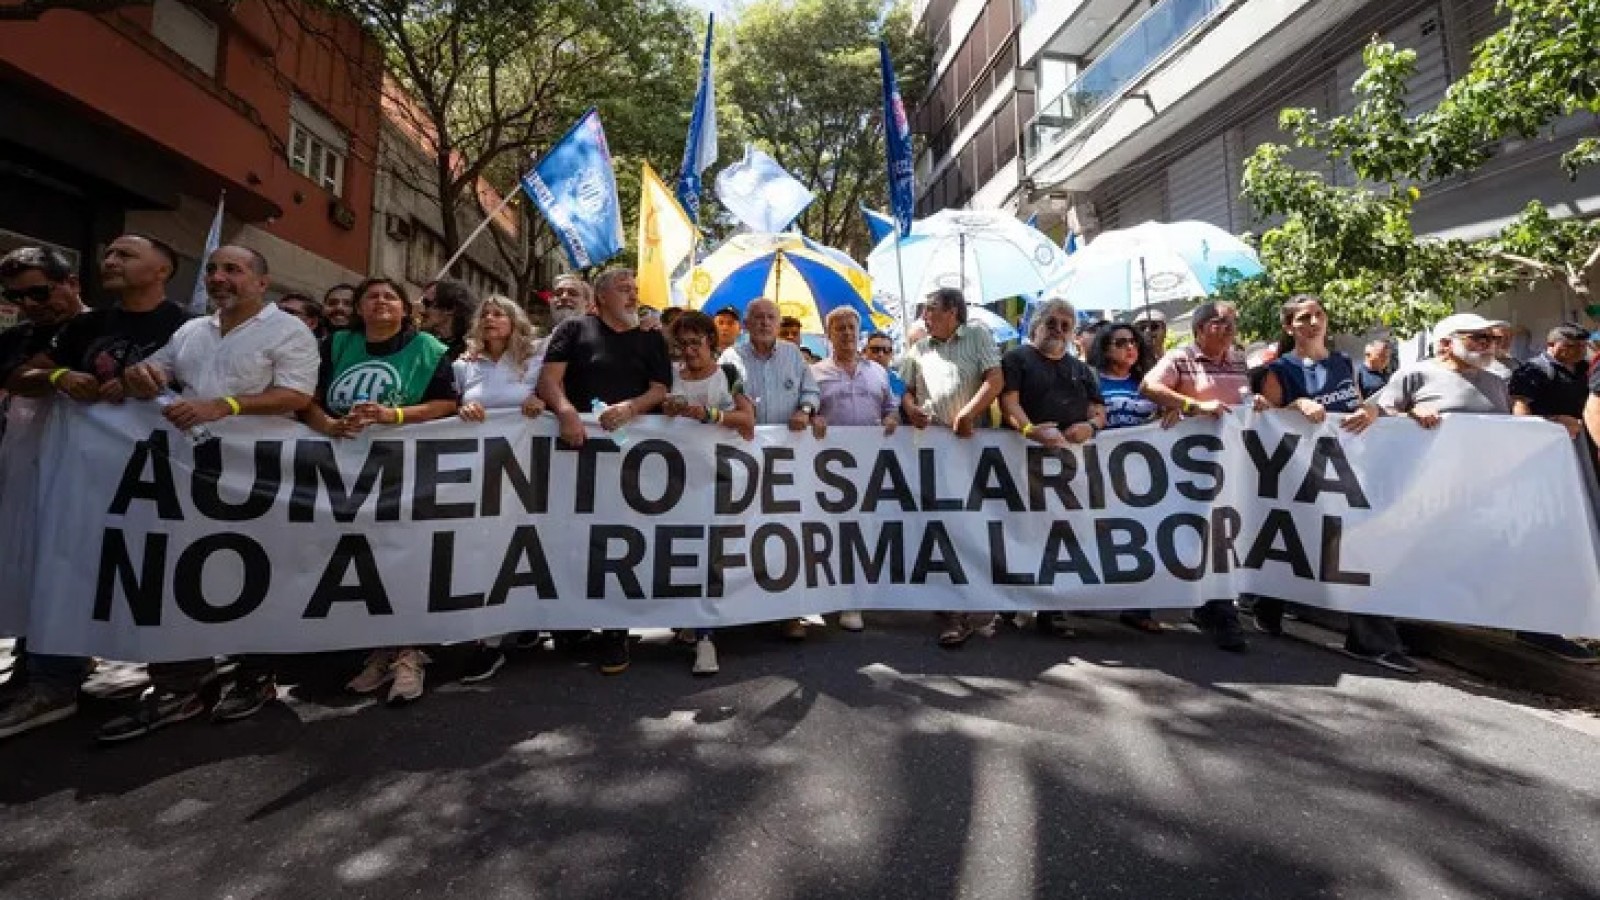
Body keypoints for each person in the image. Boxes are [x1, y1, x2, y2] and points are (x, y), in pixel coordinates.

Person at [100, 245, 322, 740]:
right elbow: (158, 373)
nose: (219, 277)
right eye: (214, 269)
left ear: (261, 282)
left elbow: (296, 395)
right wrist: (141, 377)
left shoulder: (289, 331)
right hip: (189, 476)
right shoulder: (191, 330)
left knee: (254, 573)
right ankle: (178, 685)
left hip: (260, 480)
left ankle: (254, 675)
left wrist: (224, 406)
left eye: (233, 270)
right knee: (178, 572)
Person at [3, 235, 189, 734]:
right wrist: (59, 377)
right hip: (82, 481)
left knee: (154, 572)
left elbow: (210, 393)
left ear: (162, 269)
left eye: (126, 254)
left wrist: (156, 387)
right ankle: (52, 683)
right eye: (108, 253)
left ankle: (177, 681)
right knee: (64, 565)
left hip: (156, 483)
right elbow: (22, 377)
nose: (110, 260)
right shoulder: (85, 328)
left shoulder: (190, 328)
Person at [1347, 312, 1596, 664]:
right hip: (1421, 493)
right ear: (1446, 343)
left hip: (1479, 494)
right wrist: (1409, 416)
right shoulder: (1415, 375)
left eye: (1490, 338)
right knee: (1395, 560)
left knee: (1520, 555)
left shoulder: (1496, 381)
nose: (1488, 344)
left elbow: (1508, 430)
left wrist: (1551, 424)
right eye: (1477, 338)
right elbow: (1376, 420)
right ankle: (1371, 641)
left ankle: (1536, 627)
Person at [304, 277, 461, 703]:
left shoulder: (428, 349)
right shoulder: (336, 345)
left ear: (405, 309)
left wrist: (393, 416)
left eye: (390, 296)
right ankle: (379, 650)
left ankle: (408, 653)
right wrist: (330, 425)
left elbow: (447, 404)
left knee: (403, 558)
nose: (380, 302)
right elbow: (308, 400)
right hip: (342, 470)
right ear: (358, 308)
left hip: (403, 471)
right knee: (361, 560)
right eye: (370, 296)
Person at [1251, 295, 1419, 674]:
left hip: (1345, 471)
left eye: (1318, 315)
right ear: (1289, 327)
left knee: (1358, 548)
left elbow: (1357, 407)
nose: (1313, 323)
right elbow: (1267, 423)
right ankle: (1266, 603)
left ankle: (1370, 641)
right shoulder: (1279, 370)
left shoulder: (1344, 362)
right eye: (1303, 318)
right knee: (1291, 540)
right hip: (1298, 474)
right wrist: (1295, 406)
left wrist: (1370, 410)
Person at [538, 267, 671, 674]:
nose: (632, 295)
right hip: (576, 450)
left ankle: (616, 629)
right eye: (623, 289)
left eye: (634, 288)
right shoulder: (574, 330)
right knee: (573, 534)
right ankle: (572, 621)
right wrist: (565, 413)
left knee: (620, 538)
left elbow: (660, 388)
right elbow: (550, 380)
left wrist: (631, 408)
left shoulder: (650, 337)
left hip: (628, 455)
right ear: (600, 298)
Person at [0, 247, 88, 741]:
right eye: (16, 297)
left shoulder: (104, 331)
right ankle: (33, 664)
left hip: (86, 476)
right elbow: (17, 380)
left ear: (70, 282)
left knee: (64, 567)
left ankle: (55, 679)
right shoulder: (17, 339)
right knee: (26, 565)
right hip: (25, 469)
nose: (29, 304)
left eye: (39, 292)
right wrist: (56, 375)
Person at [1141, 300, 1250, 652]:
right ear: (1199, 329)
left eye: (1232, 322)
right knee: (1196, 532)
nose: (1229, 328)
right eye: (1220, 322)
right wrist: (1190, 405)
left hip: (1231, 462)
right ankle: (1216, 611)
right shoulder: (1180, 358)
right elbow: (1148, 386)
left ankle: (1216, 607)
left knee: (1222, 532)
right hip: (1190, 464)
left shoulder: (1240, 360)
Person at [450, 295, 548, 682]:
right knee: (487, 547)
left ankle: (524, 620)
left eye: (499, 314)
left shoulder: (535, 360)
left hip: (529, 470)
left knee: (525, 544)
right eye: (485, 314)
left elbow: (555, 394)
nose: (490, 319)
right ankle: (487, 640)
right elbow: (448, 407)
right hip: (482, 474)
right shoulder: (464, 365)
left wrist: (542, 401)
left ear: (514, 322)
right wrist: (461, 409)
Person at [898, 287, 1002, 647]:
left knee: (973, 525)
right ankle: (953, 607)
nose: (925, 317)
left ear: (953, 311)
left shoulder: (977, 336)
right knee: (942, 526)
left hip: (973, 447)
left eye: (931, 310)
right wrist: (911, 409)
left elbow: (995, 380)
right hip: (934, 449)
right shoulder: (919, 349)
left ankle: (977, 602)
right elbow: (906, 391)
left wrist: (968, 413)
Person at [1000, 298, 1105, 638]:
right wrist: (1031, 430)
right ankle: (1010, 602)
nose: (1058, 330)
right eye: (1052, 323)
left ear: (1073, 332)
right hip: (1021, 461)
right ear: (1037, 325)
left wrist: (1090, 427)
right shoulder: (1016, 359)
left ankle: (1052, 608)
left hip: (1068, 468)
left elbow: (1099, 411)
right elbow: (1009, 403)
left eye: (1066, 325)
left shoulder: (1083, 370)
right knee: (1020, 531)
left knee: (1059, 533)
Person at [720, 297, 822, 640]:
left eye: (770, 317)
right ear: (746, 324)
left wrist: (805, 411)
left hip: (787, 460)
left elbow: (811, 391)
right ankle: (745, 608)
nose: (764, 322)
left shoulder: (794, 356)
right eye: (758, 317)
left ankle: (789, 612)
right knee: (745, 533)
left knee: (786, 534)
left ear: (778, 324)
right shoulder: (731, 358)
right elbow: (721, 398)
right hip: (743, 459)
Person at [661, 310, 757, 675]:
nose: (689, 351)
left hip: (717, 479)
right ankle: (690, 620)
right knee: (682, 551)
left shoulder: (728, 375)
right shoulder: (669, 377)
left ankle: (706, 637)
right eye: (682, 344)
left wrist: (707, 415)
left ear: (710, 342)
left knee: (711, 553)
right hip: (675, 483)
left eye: (696, 342)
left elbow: (747, 420)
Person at [811, 307, 898, 634]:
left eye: (851, 327)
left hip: (869, 465)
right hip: (828, 468)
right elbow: (804, 409)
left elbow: (890, 408)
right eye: (840, 328)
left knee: (863, 530)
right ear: (829, 334)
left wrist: (892, 419)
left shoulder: (878, 373)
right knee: (830, 531)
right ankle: (826, 594)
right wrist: (813, 417)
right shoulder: (814, 373)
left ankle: (854, 600)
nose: (847, 333)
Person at [1087, 321, 1170, 634]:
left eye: (1133, 341)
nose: (1130, 347)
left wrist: (1171, 411)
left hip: (1142, 475)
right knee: (1098, 534)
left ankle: (1138, 607)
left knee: (1141, 536)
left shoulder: (1149, 382)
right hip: (1099, 470)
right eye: (1121, 342)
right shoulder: (1091, 379)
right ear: (1105, 348)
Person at [1509, 323, 1588, 440]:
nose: (1579, 350)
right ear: (1551, 344)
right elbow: (1520, 407)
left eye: (1583, 346)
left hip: (1585, 437)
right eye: (1571, 346)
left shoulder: (1586, 368)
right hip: (1549, 438)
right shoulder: (1533, 370)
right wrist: (1552, 421)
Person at [419, 278, 477, 360]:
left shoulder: (468, 354)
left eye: (427, 303)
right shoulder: (423, 341)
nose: (421, 310)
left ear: (450, 309)